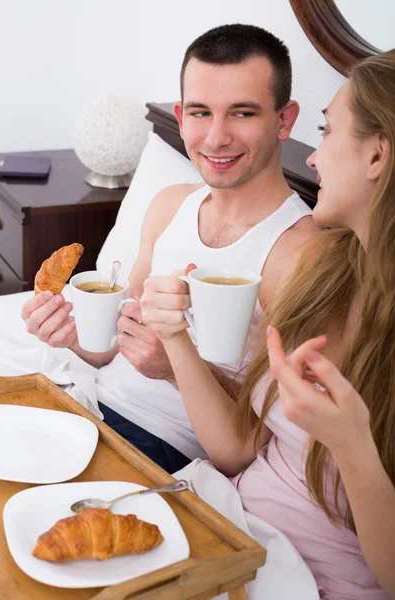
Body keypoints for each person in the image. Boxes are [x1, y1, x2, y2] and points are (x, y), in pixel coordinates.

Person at [140, 50, 395, 599]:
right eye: (200, 113)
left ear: (378, 154)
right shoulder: (332, 274)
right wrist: (174, 337)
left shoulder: (297, 258)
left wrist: (352, 446)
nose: (315, 158)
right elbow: (246, 447)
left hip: (308, 574)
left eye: (327, 131)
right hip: (230, 526)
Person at [20, 24, 318, 473]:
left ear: (284, 120)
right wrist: (72, 336)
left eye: (242, 113)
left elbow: (244, 448)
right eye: (200, 113)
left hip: (163, 447)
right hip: (87, 402)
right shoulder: (170, 205)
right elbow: (112, 349)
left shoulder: (301, 254)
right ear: (179, 117)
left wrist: (174, 366)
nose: (216, 138)